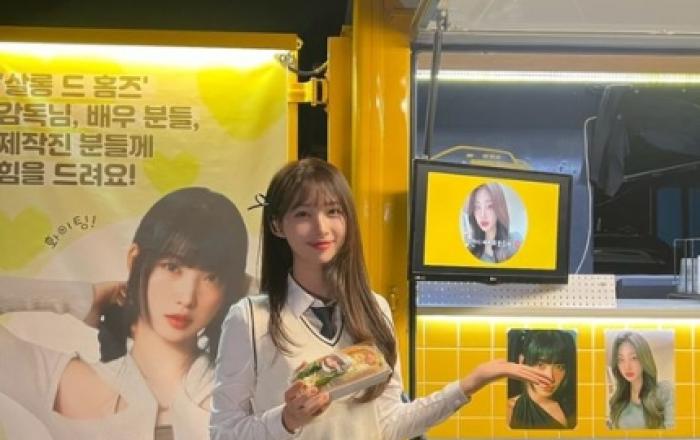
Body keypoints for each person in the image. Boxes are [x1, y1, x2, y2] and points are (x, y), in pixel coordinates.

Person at [210, 158, 554, 440]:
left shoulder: (374, 309)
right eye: (302, 214)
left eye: (333, 211)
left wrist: (470, 384)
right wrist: (287, 420)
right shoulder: (250, 319)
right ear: (277, 226)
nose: (322, 227)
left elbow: (389, 425)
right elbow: (223, 432)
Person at [0, 187, 247, 440]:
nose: (187, 298)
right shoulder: (70, 383)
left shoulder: (244, 394)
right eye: (172, 267)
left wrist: (240, 288)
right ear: (134, 259)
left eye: (211, 277)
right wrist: (82, 297)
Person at [507, 330, 577, 429]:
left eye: (559, 367)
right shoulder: (509, 413)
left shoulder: (574, 404)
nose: (550, 377)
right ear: (522, 362)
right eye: (540, 365)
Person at [607, 332, 674, 429]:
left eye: (634, 358)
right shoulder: (617, 401)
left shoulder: (665, 391)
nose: (627, 367)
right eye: (621, 359)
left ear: (644, 358)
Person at [462, 182, 521, 263]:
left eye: (490, 206)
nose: (483, 215)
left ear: (499, 208)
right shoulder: (471, 251)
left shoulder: (515, 240)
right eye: (477, 207)